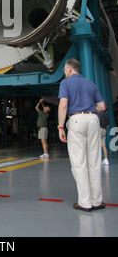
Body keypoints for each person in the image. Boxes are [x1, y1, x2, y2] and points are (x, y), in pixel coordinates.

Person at [58, 58, 106, 212]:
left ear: (70, 69)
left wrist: (60, 127)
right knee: (94, 162)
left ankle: (85, 202)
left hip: (76, 120)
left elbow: (63, 104)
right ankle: (97, 201)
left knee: (79, 163)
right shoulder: (90, 83)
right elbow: (102, 106)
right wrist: (90, 110)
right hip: (93, 119)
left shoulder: (66, 83)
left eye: (65, 69)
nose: (64, 72)